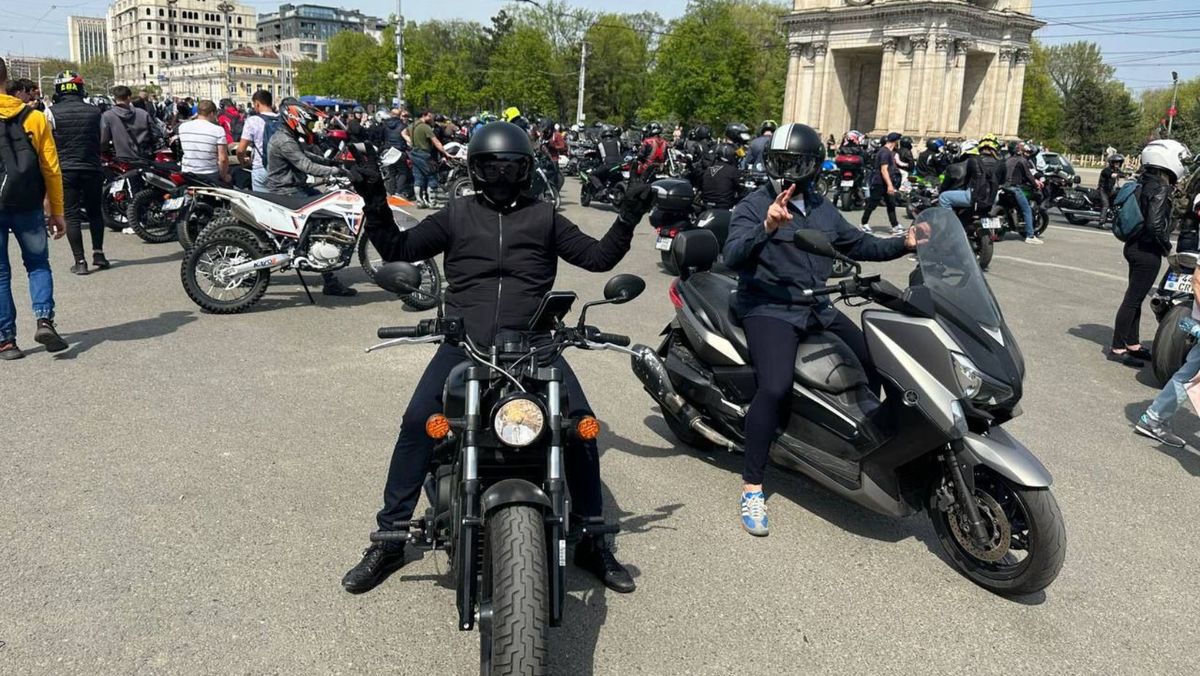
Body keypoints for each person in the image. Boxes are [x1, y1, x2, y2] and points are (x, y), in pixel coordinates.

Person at [341, 121, 656, 594]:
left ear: (527, 170)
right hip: (464, 344)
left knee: (581, 427)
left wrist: (629, 215)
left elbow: (597, 258)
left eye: (513, 168)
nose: (503, 177)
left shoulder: (545, 217)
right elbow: (398, 248)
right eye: (492, 167)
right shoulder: (457, 214)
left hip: (536, 344)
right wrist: (374, 197)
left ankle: (593, 537)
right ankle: (390, 536)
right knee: (415, 424)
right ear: (475, 169)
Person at [723, 123, 918, 535]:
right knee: (773, 387)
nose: (785, 173)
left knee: (872, 360)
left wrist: (905, 242)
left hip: (815, 305)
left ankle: (862, 445)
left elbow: (859, 243)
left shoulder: (823, 209)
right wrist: (767, 228)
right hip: (769, 307)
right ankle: (753, 486)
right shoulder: (755, 205)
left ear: (812, 168)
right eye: (778, 164)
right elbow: (733, 256)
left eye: (794, 165)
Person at [0, 57, 69, 359]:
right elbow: (51, 168)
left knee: (0, 272)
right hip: (28, 203)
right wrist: (57, 210)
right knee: (38, 264)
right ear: (7, 79)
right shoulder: (35, 117)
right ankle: (44, 319)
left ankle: (6, 340)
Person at [265, 98, 357, 298]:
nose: (309, 127)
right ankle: (329, 279)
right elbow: (305, 166)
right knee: (327, 217)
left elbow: (307, 156)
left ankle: (325, 271)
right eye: (307, 123)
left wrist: (332, 161)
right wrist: (334, 171)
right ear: (294, 119)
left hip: (292, 187)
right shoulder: (285, 140)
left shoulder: (286, 137)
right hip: (286, 191)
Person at [1110, 139, 1191, 366]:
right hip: (1147, 251)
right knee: (1132, 300)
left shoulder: (1142, 181)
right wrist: (1167, 248)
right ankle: (1117, 348)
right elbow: (1155, 225)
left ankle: (1132, 343)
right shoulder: (1161, 188)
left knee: (1134, 298)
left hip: (1133, 247)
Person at [45, 71, 109, 275]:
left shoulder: (50, 112)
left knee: (72, 215)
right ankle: (98, 254)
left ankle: (80, 262)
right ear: (80, 88)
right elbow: (103, 139)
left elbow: (48, 144)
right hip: (91, 166)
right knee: (94, 211)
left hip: (65, 170)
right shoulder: (95, 111)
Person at [177, 100, 231, 185]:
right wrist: (224, 176)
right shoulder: (218, 130)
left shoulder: (182, 127)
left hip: (187, 172)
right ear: (212, 113)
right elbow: (223, 159)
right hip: (209, 173)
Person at [860, 132, 903, 235]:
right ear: (895, 141)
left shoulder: (887, 151)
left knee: (891, 204)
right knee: (872, 204)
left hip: (885, 182)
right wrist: (890, 185)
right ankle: (863, 223)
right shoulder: (885, 152)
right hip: (880, 183)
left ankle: (895, 225)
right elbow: (884, 170)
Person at [236, 90, 279, 193]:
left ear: (257, 103)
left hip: (261, 168)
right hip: (281, 169)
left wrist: (243, 162)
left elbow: (241, 150)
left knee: (262, 204)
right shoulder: (282, 119)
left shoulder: (253, 121)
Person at [101, 85, 156, 164]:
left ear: (114, 98)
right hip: (145, 159)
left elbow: (104, 141)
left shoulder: (108, 116)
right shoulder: (143, 114)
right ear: (129, 97)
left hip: (122, 160)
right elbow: (154, 134)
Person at [1004, 141, 1044, 244]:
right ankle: (1030, 236)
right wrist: (1036, 185)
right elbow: (1028, 175)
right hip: (1014, 188)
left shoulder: (1007, 160)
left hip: (1004, 187)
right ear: (1018, 150)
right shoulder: (1022, 161)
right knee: (1027, 210)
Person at [409, 110, 450, 209]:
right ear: (425, 115)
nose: (432, 118)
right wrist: (445, 153)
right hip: (425, 154)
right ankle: (433, 203)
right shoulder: (425, 127)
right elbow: (436, 142)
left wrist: (410, 142)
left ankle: (420, 202)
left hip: (414, 153)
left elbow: (403, 133)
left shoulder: (412, 126)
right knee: (432, 176)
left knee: (418, 178)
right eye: (430, 116)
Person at [697, 143, 743, 209]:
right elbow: (742, 191)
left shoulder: (708, 169)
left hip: (706, 208)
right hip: (724, 209)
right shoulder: (733, 171)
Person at [1098, 153, 1125, 223]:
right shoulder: (1106, 170)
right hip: (1103, 190)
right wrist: (1118, 175)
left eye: (1119, 162)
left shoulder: (1117, 170)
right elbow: (1111, 175)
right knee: (1106, 205)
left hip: (1110, 191)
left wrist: (1133, 175)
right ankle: (1101, 222)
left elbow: (1124, 174)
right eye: (1115, 162)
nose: (1117, 164)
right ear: (1112, 163)